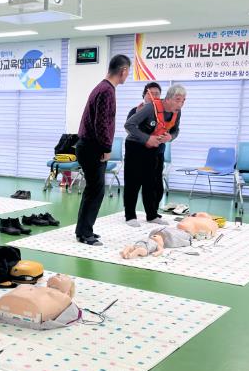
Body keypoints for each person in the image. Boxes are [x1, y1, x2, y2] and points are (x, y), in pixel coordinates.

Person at [75, 54, 131, 246]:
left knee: (92, 190)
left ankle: (83, 230)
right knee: (96, 191)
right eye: (128, 72)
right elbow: (101, 123)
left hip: (87, 146)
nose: (127, 75)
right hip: (93, 148)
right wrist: (107, 148)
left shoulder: (102, 87)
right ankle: (85, 233)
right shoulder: (107, 90)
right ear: (123, 70)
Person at [124, 84, 185, 226]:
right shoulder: (150, 108)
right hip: (135, 146)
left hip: (154, 149)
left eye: (183, 100)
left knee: (151, 183)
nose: (181, 104)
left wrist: (170, 137)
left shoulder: (177, 112)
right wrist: (147, 138)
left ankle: (151, 215)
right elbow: (129, 125)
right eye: (178, 100)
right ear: (168, 98)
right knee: (133, 182)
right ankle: (130, 216)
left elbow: (176, 130)